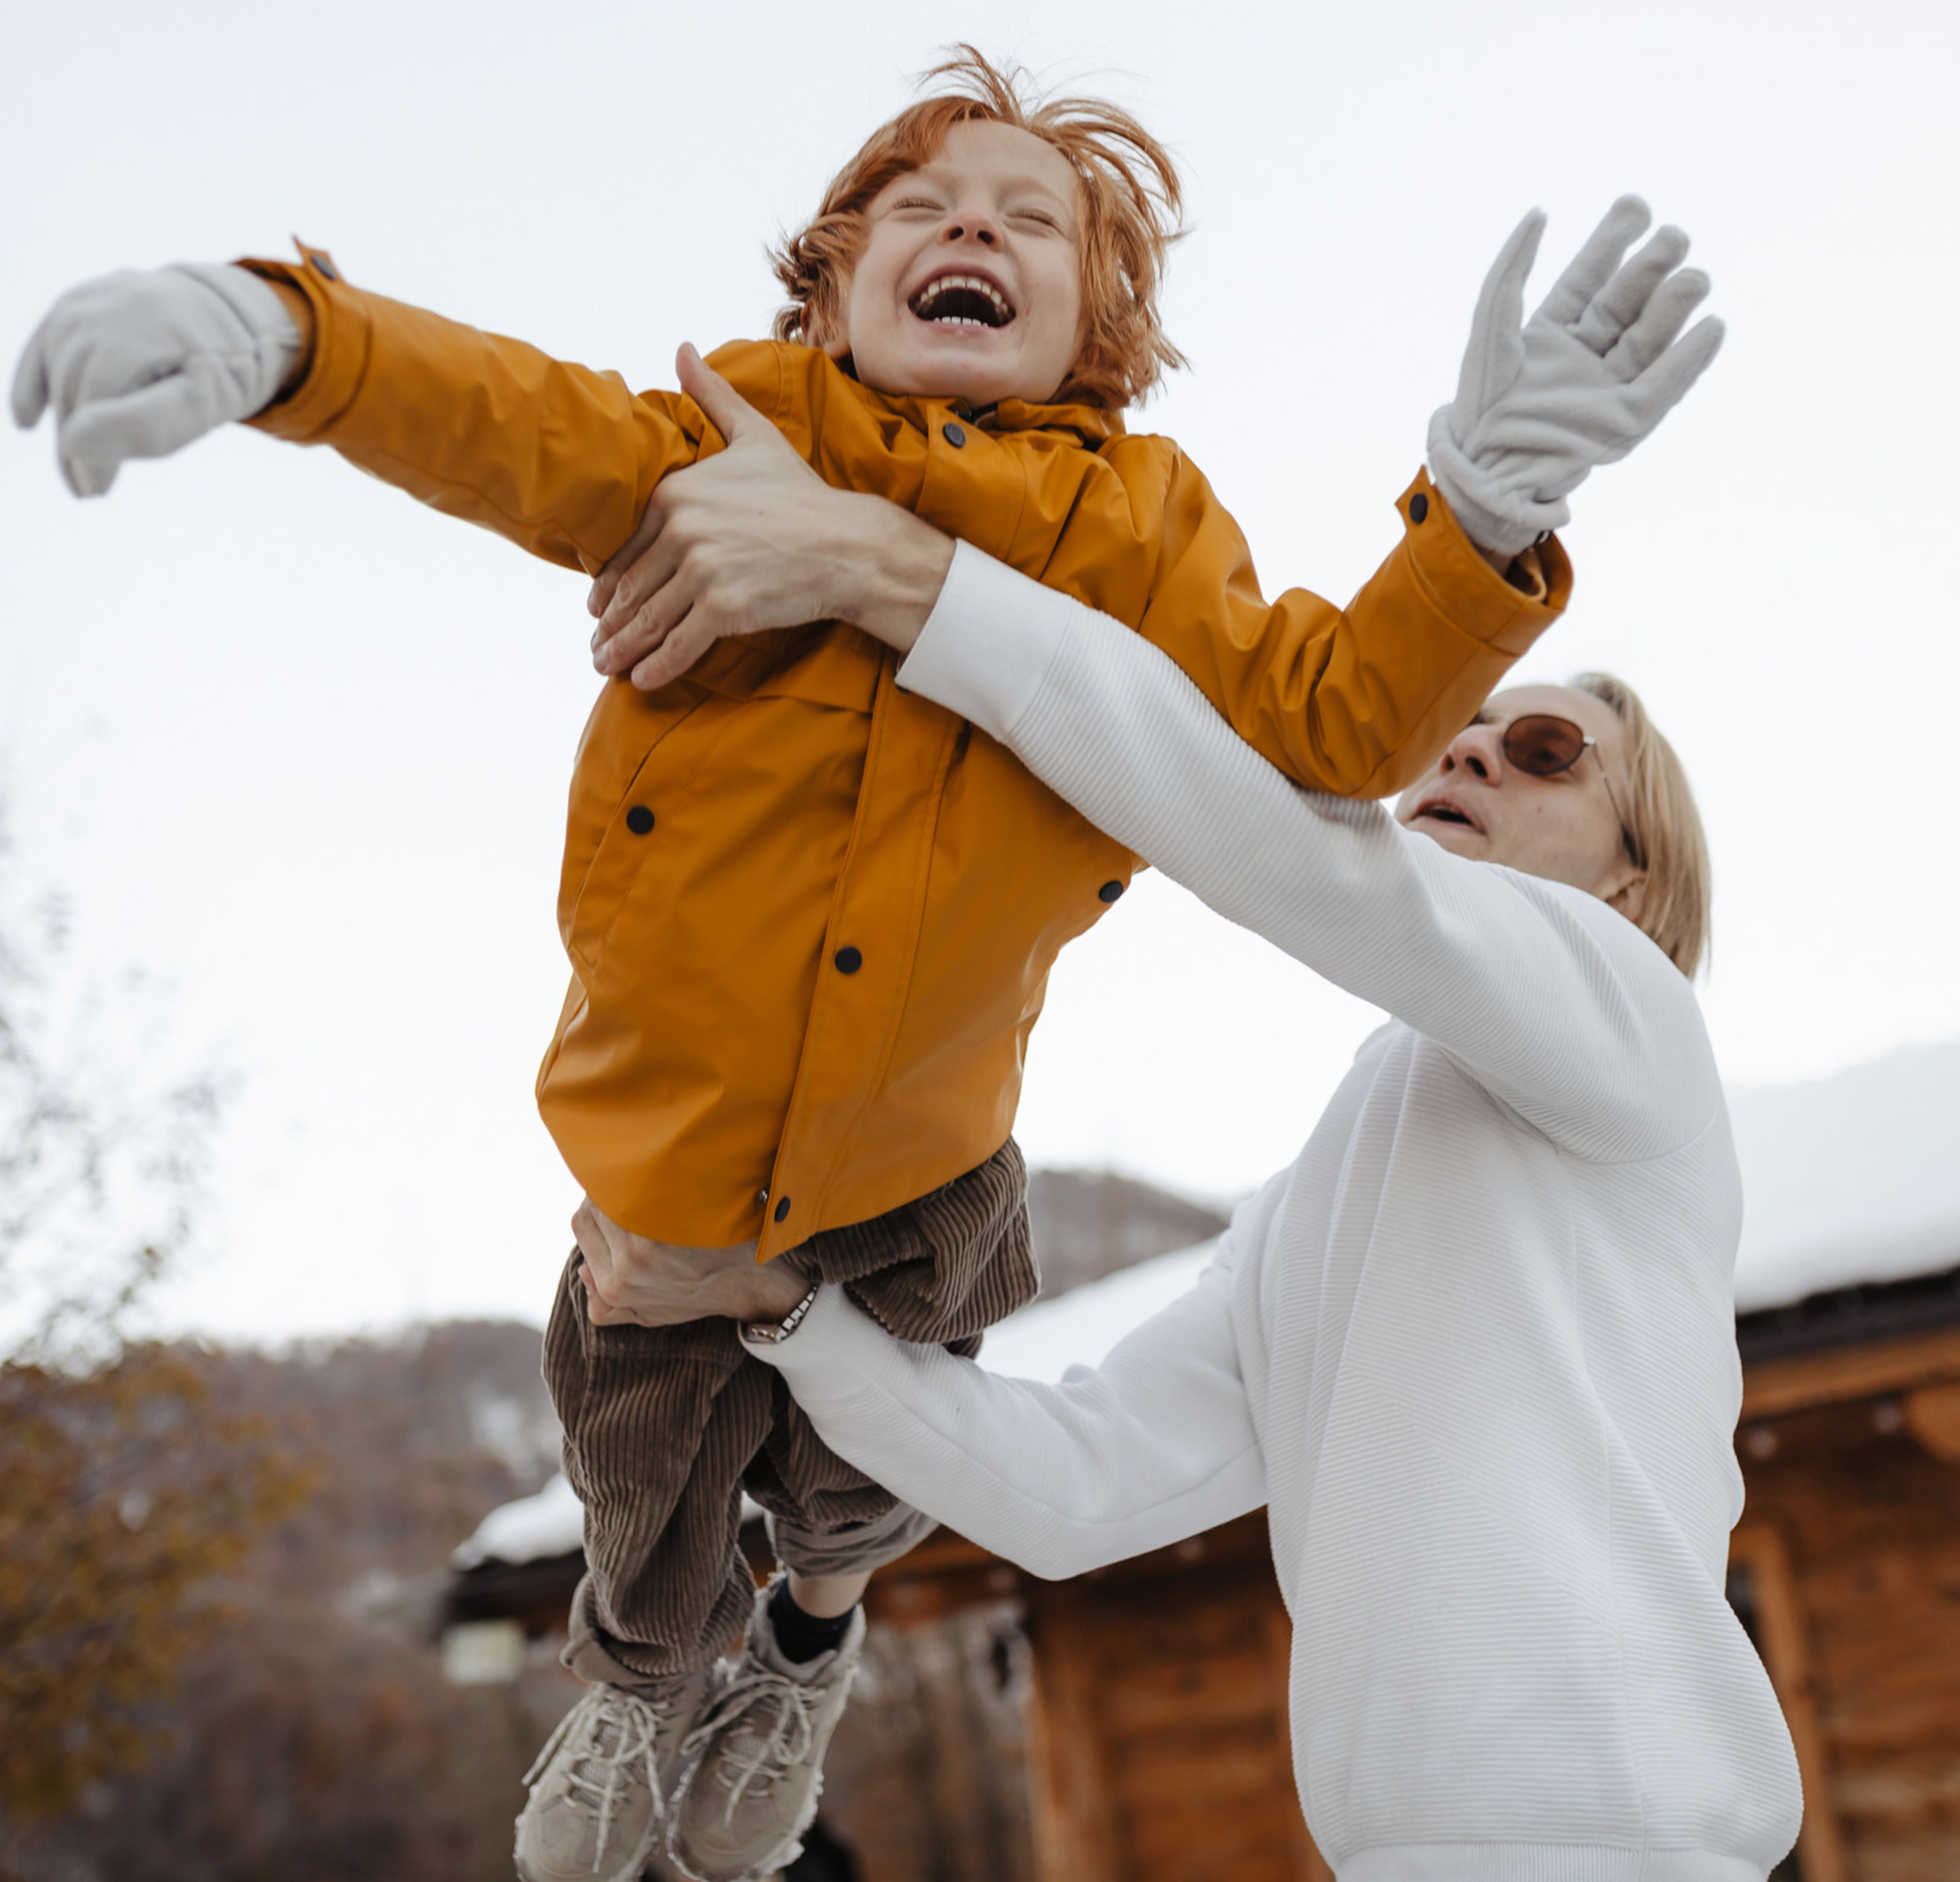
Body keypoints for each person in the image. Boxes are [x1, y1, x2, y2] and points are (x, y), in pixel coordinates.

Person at [11, 48, 1723, 1882]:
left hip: (1604, 1833)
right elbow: (516, 419)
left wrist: (1465, 538)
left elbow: (1308, 776)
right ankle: (673, 1674)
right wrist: (289, 337)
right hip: (686, 1165)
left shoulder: (1603, 1004)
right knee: (648, 1457)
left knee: (841, 1466)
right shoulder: (1346, 1185)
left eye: (1545, 756)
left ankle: (801, 1628)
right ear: (828, 285)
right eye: (918, 208)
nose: (969, 223)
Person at [574, 386, 1804, 1878]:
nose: (1468, 754)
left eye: (1546, 750)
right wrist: (778, 1312)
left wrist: (885, 574)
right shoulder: (1318, 1209)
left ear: (1631, 887)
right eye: (1458, 733)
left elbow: (1286, 845)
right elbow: (1075, 1482)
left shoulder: (1633, 1022)